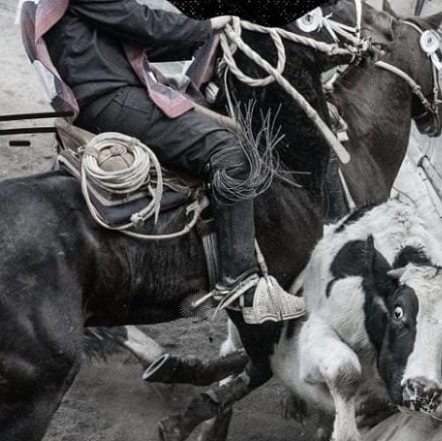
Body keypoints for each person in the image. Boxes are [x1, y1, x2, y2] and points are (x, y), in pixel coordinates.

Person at [21, 0, 305, 323]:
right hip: (113, 99)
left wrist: (205, 37)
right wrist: (207, 24)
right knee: (231, 153)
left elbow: (137, 37)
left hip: (104, 97)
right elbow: (141, 22)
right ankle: (241, 283)